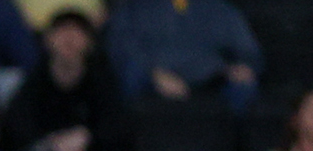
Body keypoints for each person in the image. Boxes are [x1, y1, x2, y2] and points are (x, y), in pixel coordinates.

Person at [0, 8, 122, 151]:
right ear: (47, 40)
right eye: (62, 32)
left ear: (90, 42)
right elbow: (15, 126)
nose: (69, 39)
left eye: (77, 32)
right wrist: (51, 143)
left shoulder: (102, 80)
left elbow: (116, 127)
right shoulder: (35, 80)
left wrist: (85, 139)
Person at [102, 0, 259, 111]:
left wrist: (241, 67)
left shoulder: (220, 9)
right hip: (151, 76)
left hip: (210, 78)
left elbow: (248, 52)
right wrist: (154, 74)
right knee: (130, 74)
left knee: (245, 84)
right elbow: (120, 46)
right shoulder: (136, 7)